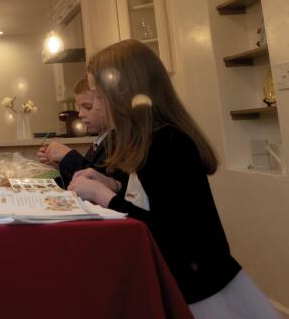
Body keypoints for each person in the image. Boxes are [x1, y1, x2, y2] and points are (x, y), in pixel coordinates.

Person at [68, 39, 278, 318]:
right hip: (188, 278)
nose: (95, 104)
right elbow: (154, 198)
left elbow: (170, 232)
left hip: (198, 287)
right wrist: (114, 185)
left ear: (123, 92)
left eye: (97, 95)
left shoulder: (168, 144)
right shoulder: (148, 139)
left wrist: (104, 197)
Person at [37, 77, 126, 189]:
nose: (80, 114)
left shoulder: (119, 142)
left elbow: (98, 181)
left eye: (87, 107)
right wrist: (59, 165)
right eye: (79, 108)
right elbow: (80, 176)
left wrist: (68, 156)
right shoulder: (100, 141)